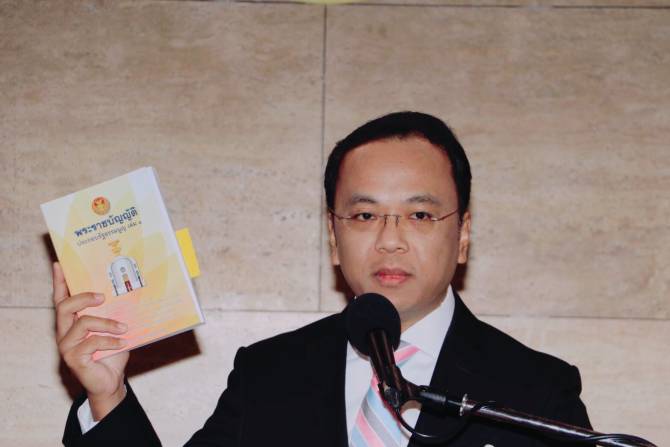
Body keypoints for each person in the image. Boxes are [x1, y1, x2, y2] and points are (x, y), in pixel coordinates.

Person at [55, 111, 590, 446]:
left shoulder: (536, 390)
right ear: (334, 236)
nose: (390, 239)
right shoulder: (269, 373)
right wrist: (108, 394)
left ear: (463, 234)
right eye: (364, 215)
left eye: (420, 215)